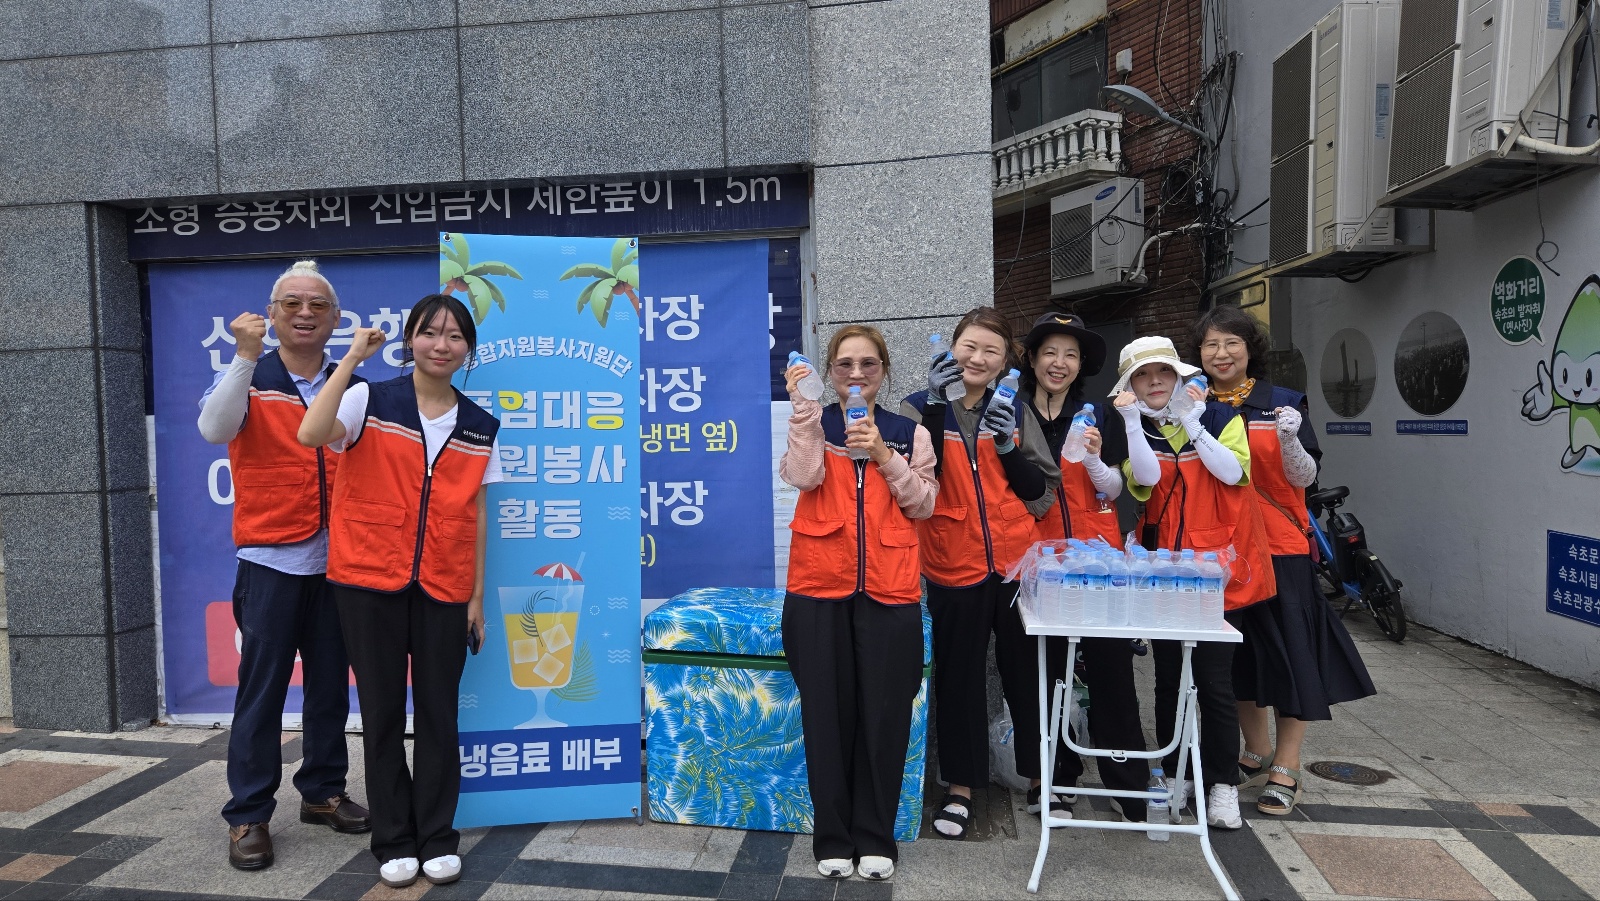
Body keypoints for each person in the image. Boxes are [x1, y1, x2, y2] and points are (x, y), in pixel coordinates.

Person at [297, 295, 502, 889]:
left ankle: (437, 836)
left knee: (439, 714)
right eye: (430, 332)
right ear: (410, 339)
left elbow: (477, 515)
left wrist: (476, 597)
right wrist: (348, 361)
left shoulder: (480, 424)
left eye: (455, 336)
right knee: (383, 713)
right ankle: (393, 838)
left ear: (468, 350)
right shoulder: (369, 397)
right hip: (368, 580)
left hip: (444, 584)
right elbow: (311, 432)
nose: (442, 345)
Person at [198, 259, 370, 871]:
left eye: (318, 305)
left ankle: (322, 791)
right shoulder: (249, 374)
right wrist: (244, 357)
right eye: (291, 303)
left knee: (329, 686)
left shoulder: (351, 383)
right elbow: (214, 428)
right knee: (262, 691)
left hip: (339, 561)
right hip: (270, 559)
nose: (305, 313)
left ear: (336, 318)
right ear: (271, 314)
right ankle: (248, 813)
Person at [1191, 306, 1374, 817]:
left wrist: (1290, 438)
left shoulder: (1283, 403)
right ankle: (1255, 750)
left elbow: (1305, 478)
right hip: (1221, 553)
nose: (1221, 353)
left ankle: (1287, 764)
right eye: (1210, 344)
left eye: (1231, 343)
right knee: (1235, 658)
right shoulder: (1193, 404)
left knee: (1293, 657)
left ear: (1250, 350)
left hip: (1279, 548)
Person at [780, 325, 938, 881]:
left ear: (884, 371)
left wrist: (883, 455)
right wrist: (804, 412)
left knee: (885, 717)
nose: (856, 374)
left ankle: (875, 837)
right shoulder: (815, 422)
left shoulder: (909, 433)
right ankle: (832, 837)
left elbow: (923, 505)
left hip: (891, 590)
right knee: (825, 716)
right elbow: (802, 476)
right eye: (844, 364)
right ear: (829, 371)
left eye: (868, 364)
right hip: (817, 588)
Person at [901, 307, 1061, 839]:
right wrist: (934, 406)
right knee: (959, 677)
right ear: (951, 348)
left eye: (991, 350)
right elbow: (917, 480)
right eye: (969, 346)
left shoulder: (1014, 406)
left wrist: (1007, 444)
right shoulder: (917, 407)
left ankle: (1041, 778)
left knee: (1027, 673)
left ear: (1006, 360)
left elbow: (1041, 492)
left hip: (1015, 563)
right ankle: (960, 788)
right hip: (951, 559)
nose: (978, 358)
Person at [1111, 335, 1276, 830]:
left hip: (1218, 573)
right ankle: (1175, 772)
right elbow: (1143, 478)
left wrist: (1193, 423)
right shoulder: (1136, 426)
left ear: (1179, 375)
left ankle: (1222, 783)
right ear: (1131, 386)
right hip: (1163, 574)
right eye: (1142, 375)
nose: (1154, 382)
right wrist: (1131, 423)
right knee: (1168, 679)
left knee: (1214, 682)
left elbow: (1232, 472)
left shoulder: (1223, 417)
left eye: (1163, 372)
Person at [1019, 312, 1148, 824]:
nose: (1060, 363)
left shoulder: (1098, 415)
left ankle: (1129, 785)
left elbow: (1116, 488)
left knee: (1112, 670)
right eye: (1050, 352)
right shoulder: (1013, 413)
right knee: (1047, 674)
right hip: (1038, 560)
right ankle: (1056, 778)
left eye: (1071, 354)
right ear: (1032, 358)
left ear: (1081, 365)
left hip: (1098, 560)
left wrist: (1094, 461)